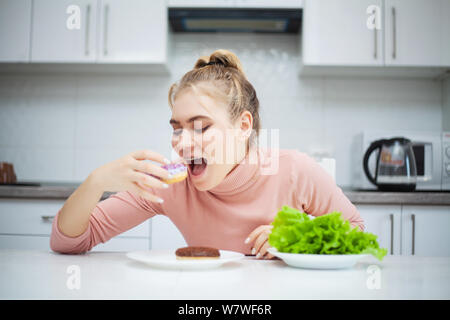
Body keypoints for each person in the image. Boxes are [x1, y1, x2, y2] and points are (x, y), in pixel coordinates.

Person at [50, 49, 364, 259]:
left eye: (200, 127)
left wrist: (297, 237)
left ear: (243, 126)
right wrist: (97, 182)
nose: (182, 143)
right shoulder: (169, 184)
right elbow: (69, 242)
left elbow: (357, 233)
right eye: (177, 128)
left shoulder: (295, 171)